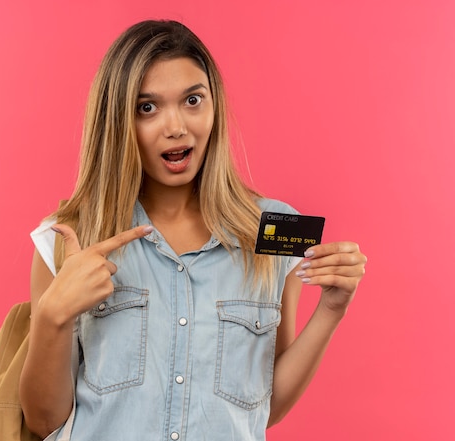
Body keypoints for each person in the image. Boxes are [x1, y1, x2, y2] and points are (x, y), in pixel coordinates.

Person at [19, 20, 367, 441]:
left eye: (193, 100)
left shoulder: (275, 229)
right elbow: (42, 422)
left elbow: (263, 407)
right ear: (118, 121)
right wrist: (54, 317)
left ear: (214, 106)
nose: (176, 126)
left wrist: (331, 310)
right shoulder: (69, 237)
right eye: (147, 107)